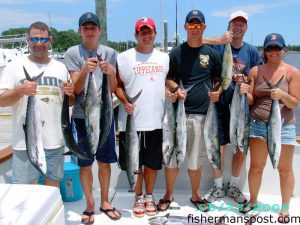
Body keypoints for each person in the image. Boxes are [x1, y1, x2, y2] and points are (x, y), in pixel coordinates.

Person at [157, 9, 222, 212]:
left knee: (196, 160)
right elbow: (167, 78)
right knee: (173, 158)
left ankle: (195, 195)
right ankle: (168, 194)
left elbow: (220, 80)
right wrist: (176, 89)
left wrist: (217, 92)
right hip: (178, 115)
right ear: (185, 27)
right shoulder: (176, 53)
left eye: (198, 25)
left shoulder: (212, 54)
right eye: (191, 25)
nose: (195, 28)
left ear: (204, 27)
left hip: (203, 116)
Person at [0, 21, 74, 186]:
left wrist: (70, 93)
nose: (39, 43)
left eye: (43, 39)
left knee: (52, 190)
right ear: (27, 40)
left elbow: (69, 103)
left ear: (50, 40)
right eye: (34, 39)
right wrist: (21, 90)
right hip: (25, 143)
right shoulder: (14, 67)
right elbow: (2, 101)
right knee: (26, 192)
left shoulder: (61, 68)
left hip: (55, 141)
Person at [64, 12, 120, 224]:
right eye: (85, 28)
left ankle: (105, 201)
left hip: (104, 115)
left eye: (92, 28)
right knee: (85, 164)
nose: (89, 31)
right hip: (82, 116)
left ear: (100, 30)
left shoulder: (110, 52)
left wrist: (111, 72)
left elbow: (113, 89)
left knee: (104, 162)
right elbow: (76, 90)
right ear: (79, 30)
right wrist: (84, 72)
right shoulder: (72, 53)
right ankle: (90, 204)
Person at [239, 33, 300, 223]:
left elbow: (294, 103)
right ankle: (253, 200)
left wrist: (281, 94)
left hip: (283, 127)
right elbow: (251, 100)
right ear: (264, 51)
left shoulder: (292, 72)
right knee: (257, 166)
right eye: (270, 48)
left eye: (277, 48)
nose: (273, 52)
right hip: (257, 125)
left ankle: (284, 208)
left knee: (285, 169)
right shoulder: (255, 71)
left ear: (284, 49)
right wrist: (243, 92)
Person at [204, 11, 262, 204]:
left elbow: (257, 77)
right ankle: (219, 186)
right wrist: (218, 39)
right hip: (220, 102)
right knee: (218, 146)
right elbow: (195, 42)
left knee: (241, 146)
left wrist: (245, 82)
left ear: (246, 28)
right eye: (234, 24)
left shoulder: (252, 52)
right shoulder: (219, 47)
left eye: (242, 24)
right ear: (229, 26)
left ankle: (234, 185)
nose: (238, 27)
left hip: (242, 105)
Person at [115, 17, 169, 217]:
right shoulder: (123, 58)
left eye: (149, 32)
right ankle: (138, 196)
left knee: (152, 162)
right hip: (131, 121)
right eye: (142, 32)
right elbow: (117, 86)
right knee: (135, 162)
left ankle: (149, 195)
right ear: (136, 35)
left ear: (155, 34)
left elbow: (163, 83)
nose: (146, 36)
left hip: (156, 120)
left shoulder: (164, 57)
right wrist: (124, 101)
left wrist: (171, 92)